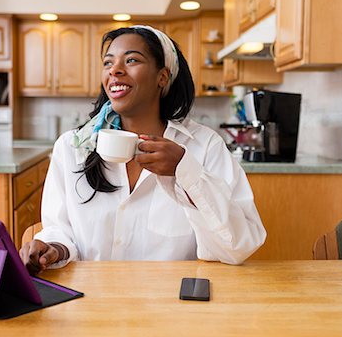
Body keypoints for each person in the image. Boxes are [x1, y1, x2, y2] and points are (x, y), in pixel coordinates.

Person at [19, 25, 266, 275]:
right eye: (108, 63)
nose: (115, 70)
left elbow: (238, 247)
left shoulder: (204, 146)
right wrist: (54, 248)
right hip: (89, 301)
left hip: (173, 305)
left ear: (163, 77)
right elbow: (59, 228)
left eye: (132, 60)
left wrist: (185, 171)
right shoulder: (73, 147)